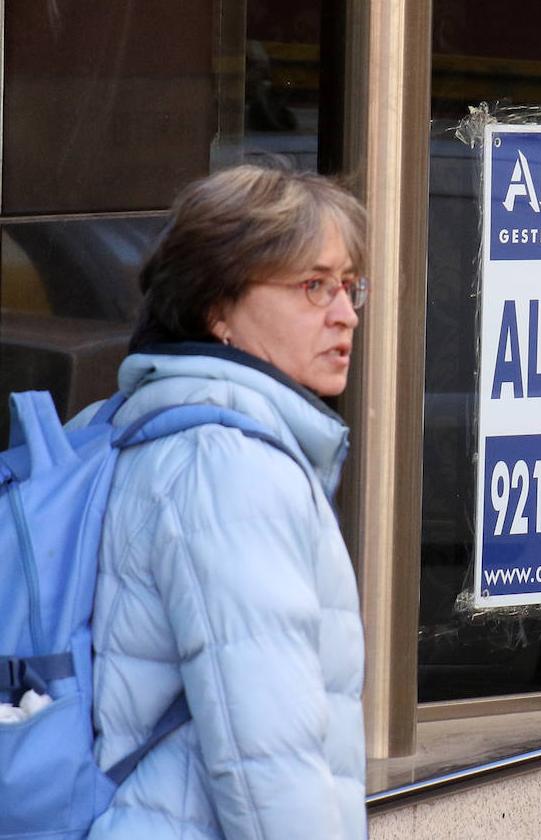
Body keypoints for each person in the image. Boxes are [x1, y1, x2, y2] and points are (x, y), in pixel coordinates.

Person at [84, 165, 368, 839]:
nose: (346, 313)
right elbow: (267, 761)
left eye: (350, 285)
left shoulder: (124, 423)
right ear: (218, 307)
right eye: (313, 285)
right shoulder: (229, 466)